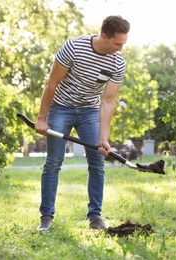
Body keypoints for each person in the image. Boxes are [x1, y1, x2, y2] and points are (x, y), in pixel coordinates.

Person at [34, 15, 130, 231]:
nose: (120, 49)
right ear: (104, 36)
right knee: (53, 162)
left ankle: (95, 217)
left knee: (97, 162)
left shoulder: (117, 62)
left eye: (123, 44)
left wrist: (103, 138)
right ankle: (46, 216)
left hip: (89, 111)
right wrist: (41, 118)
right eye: (117, 43)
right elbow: (52, 82)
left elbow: (108, 100)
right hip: (61, 107)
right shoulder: (74, 47)